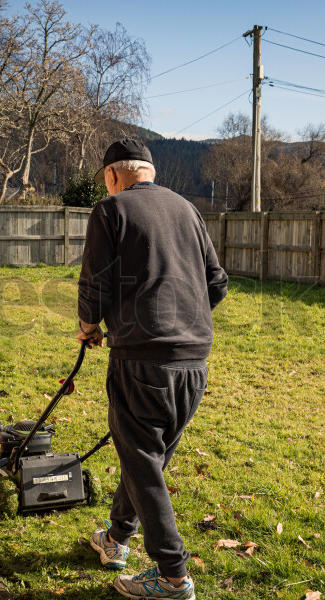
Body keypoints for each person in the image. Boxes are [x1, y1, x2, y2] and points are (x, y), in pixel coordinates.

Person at [77, 139, 228, 600]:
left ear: (112, 175)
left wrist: (89, 327)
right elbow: (217, 282)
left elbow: (95, 284)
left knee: (142, 461)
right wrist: (182, 319)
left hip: (141, 360)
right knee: (146, 457)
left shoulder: (110, 210)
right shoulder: (188, 210)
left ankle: (173, 576)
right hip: (194, 361)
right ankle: (116, 538)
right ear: (150, 171)